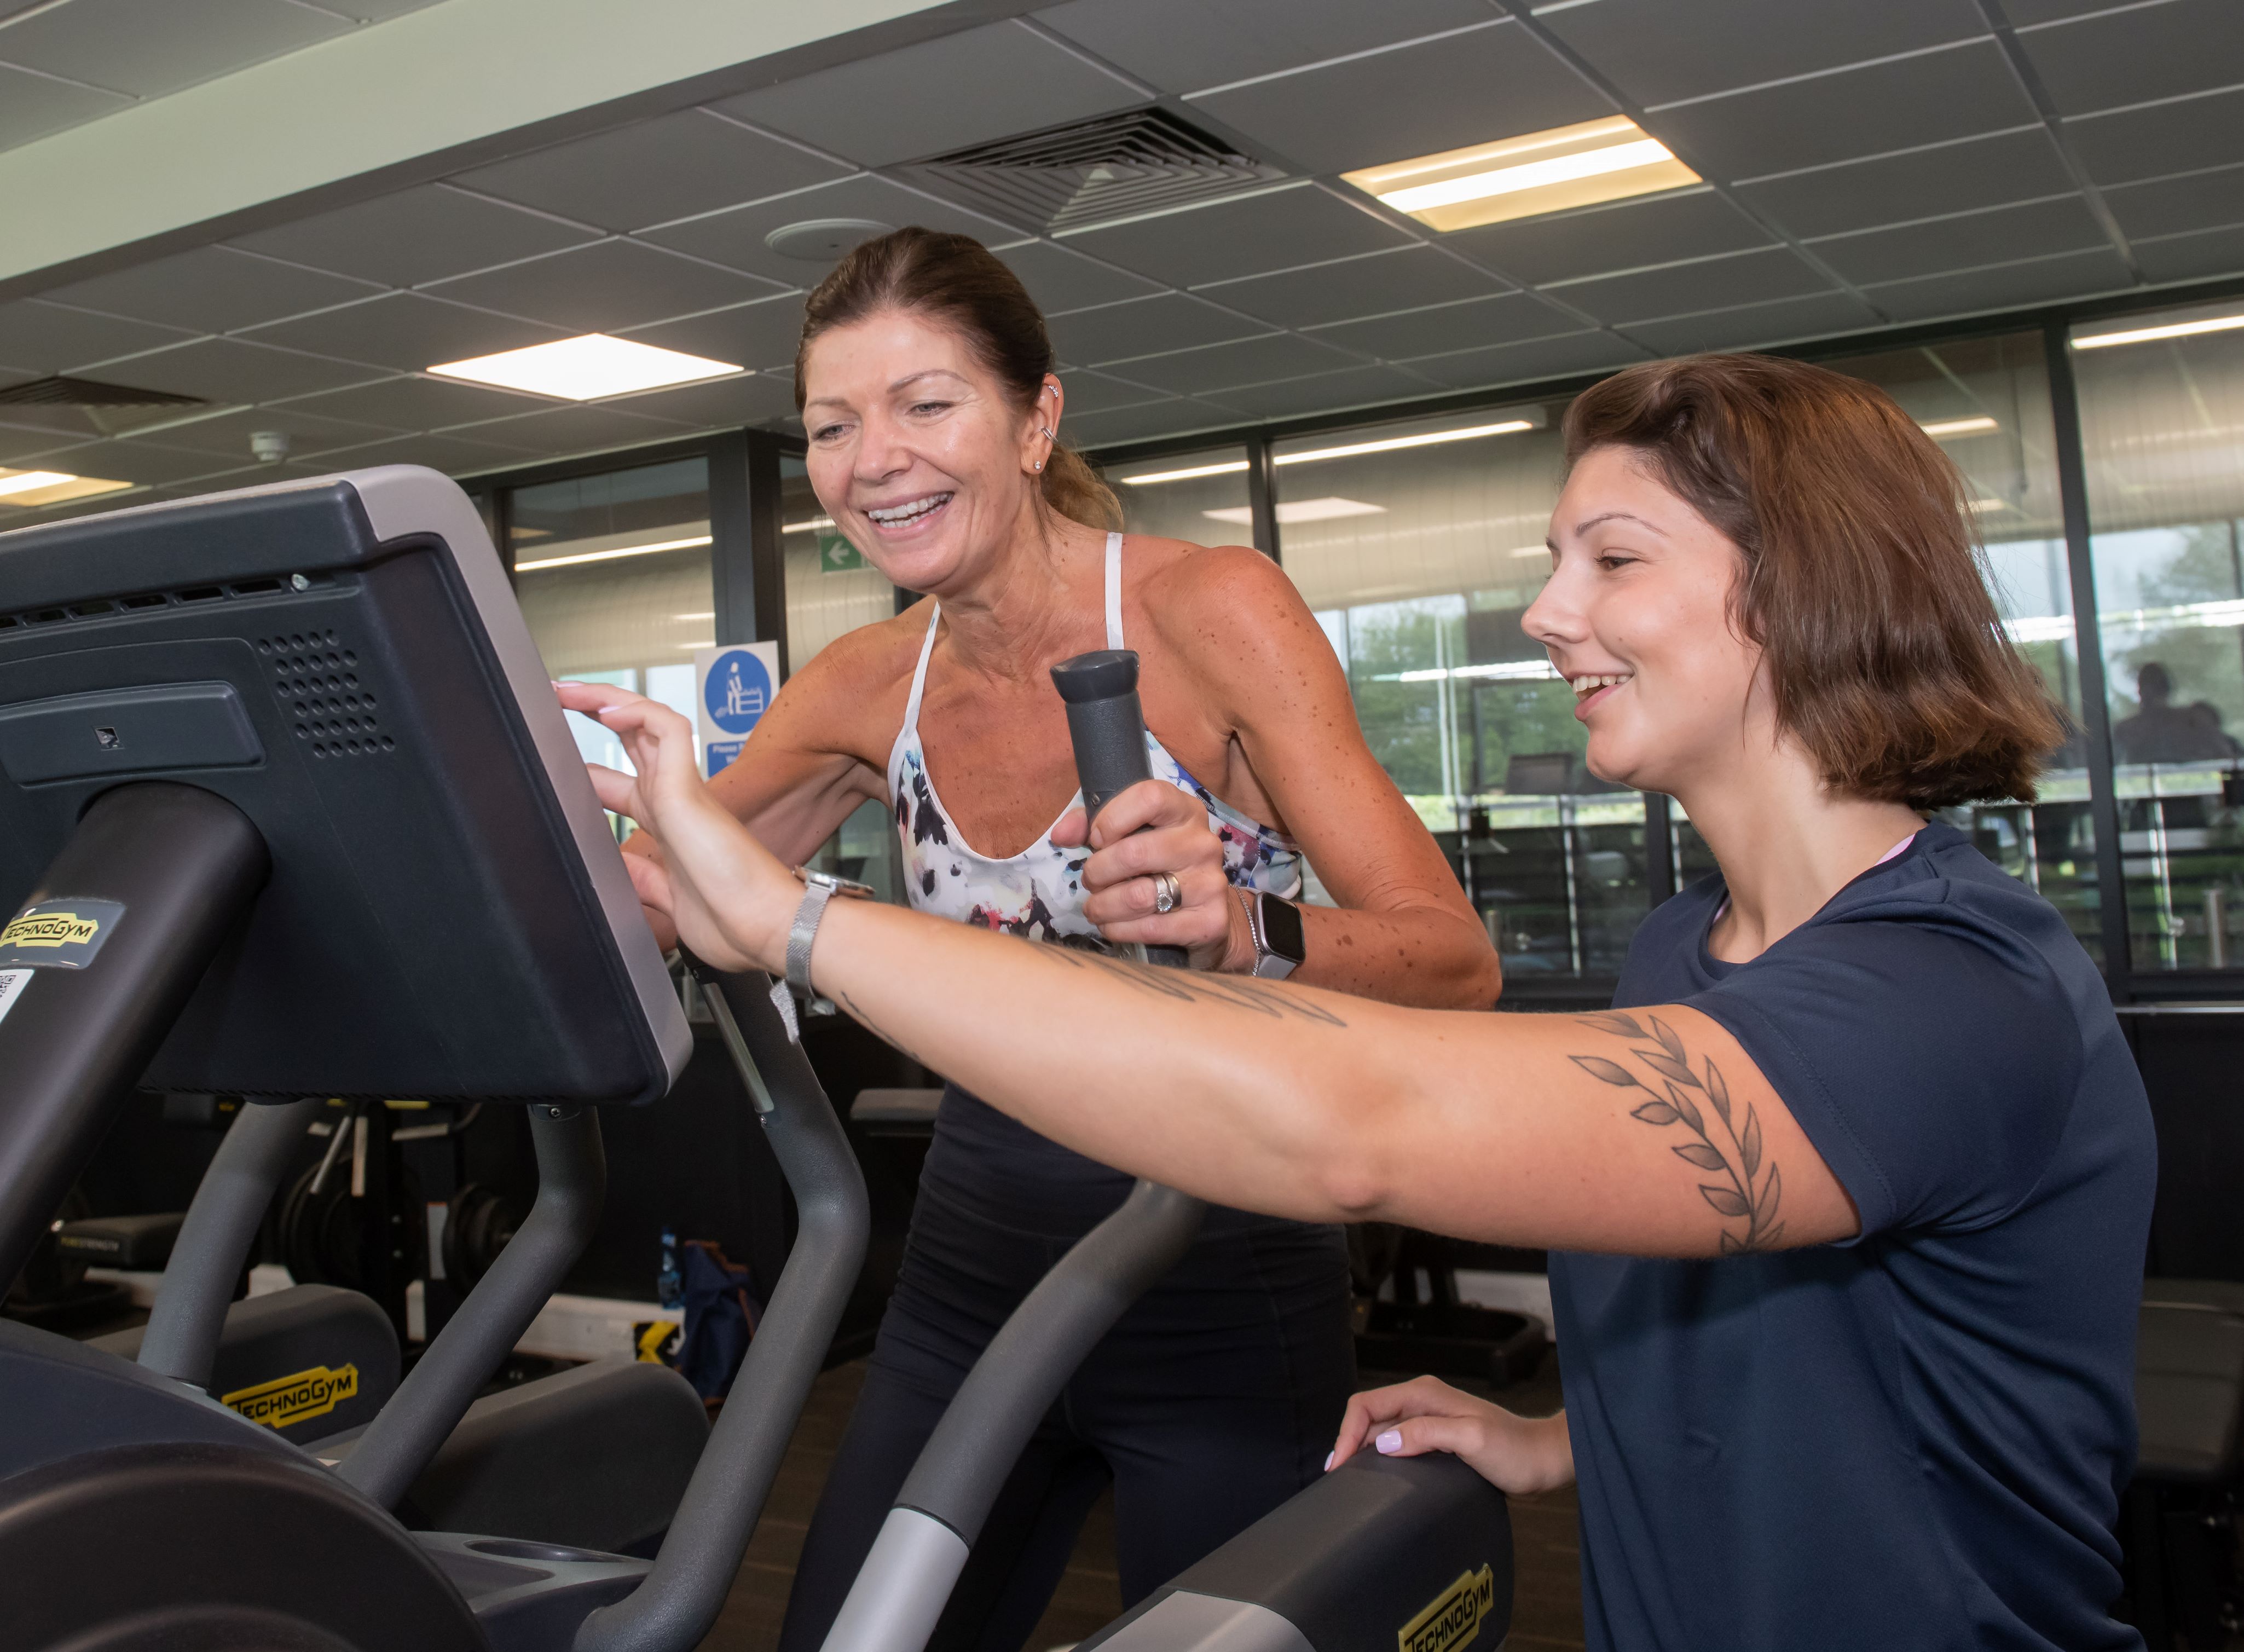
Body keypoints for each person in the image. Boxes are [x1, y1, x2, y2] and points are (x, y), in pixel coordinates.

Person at [566, 351, 2158, 1652]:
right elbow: (1806, 1350)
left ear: (1804, 590)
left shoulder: (1952, 991)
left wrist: (795, 920)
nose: (1547, 613)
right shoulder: (1691, 948)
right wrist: (1562, 1441)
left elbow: (1356, 1120)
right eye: (1555, 561)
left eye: (1612, 560)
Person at [609, 227, 1502, 1650]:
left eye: (926, 403)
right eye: (833, 426)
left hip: (1219, 1269)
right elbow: (673, 886)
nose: (875, 460)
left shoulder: (1208, 612)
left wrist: (1244, 929)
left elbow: (1451, 958)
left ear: (1036, 422)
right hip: (970, 1267)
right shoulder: (866, 683)